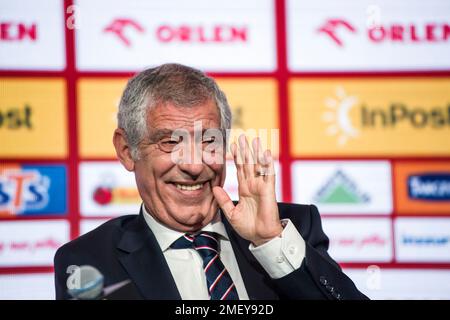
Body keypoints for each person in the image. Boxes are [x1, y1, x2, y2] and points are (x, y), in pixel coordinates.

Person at [54, 63, 368, 300]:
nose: (193, 165)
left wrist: (270, 242)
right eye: (170, 142)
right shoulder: (88, 260)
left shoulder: (293, 227)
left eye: (208, 142)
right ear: (127, 150)